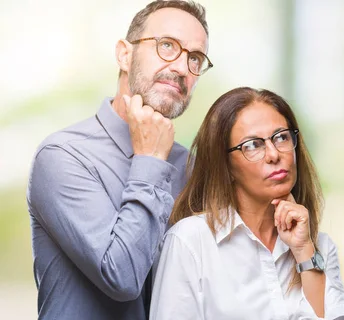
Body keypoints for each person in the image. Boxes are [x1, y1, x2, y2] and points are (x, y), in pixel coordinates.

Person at [26, 1, 212, 319]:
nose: (182, 68)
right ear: (125, 54)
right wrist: (150, 159)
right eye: (167, 45)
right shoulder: (62, 156)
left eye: (194, 58)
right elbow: (121, 277)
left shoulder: (193, 169)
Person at [149, 87, 344, 319]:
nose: (273, 154)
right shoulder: (190, 242)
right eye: (252, 145)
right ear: (225, 166)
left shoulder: (319, 246)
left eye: (281, 137)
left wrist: (303, 252)